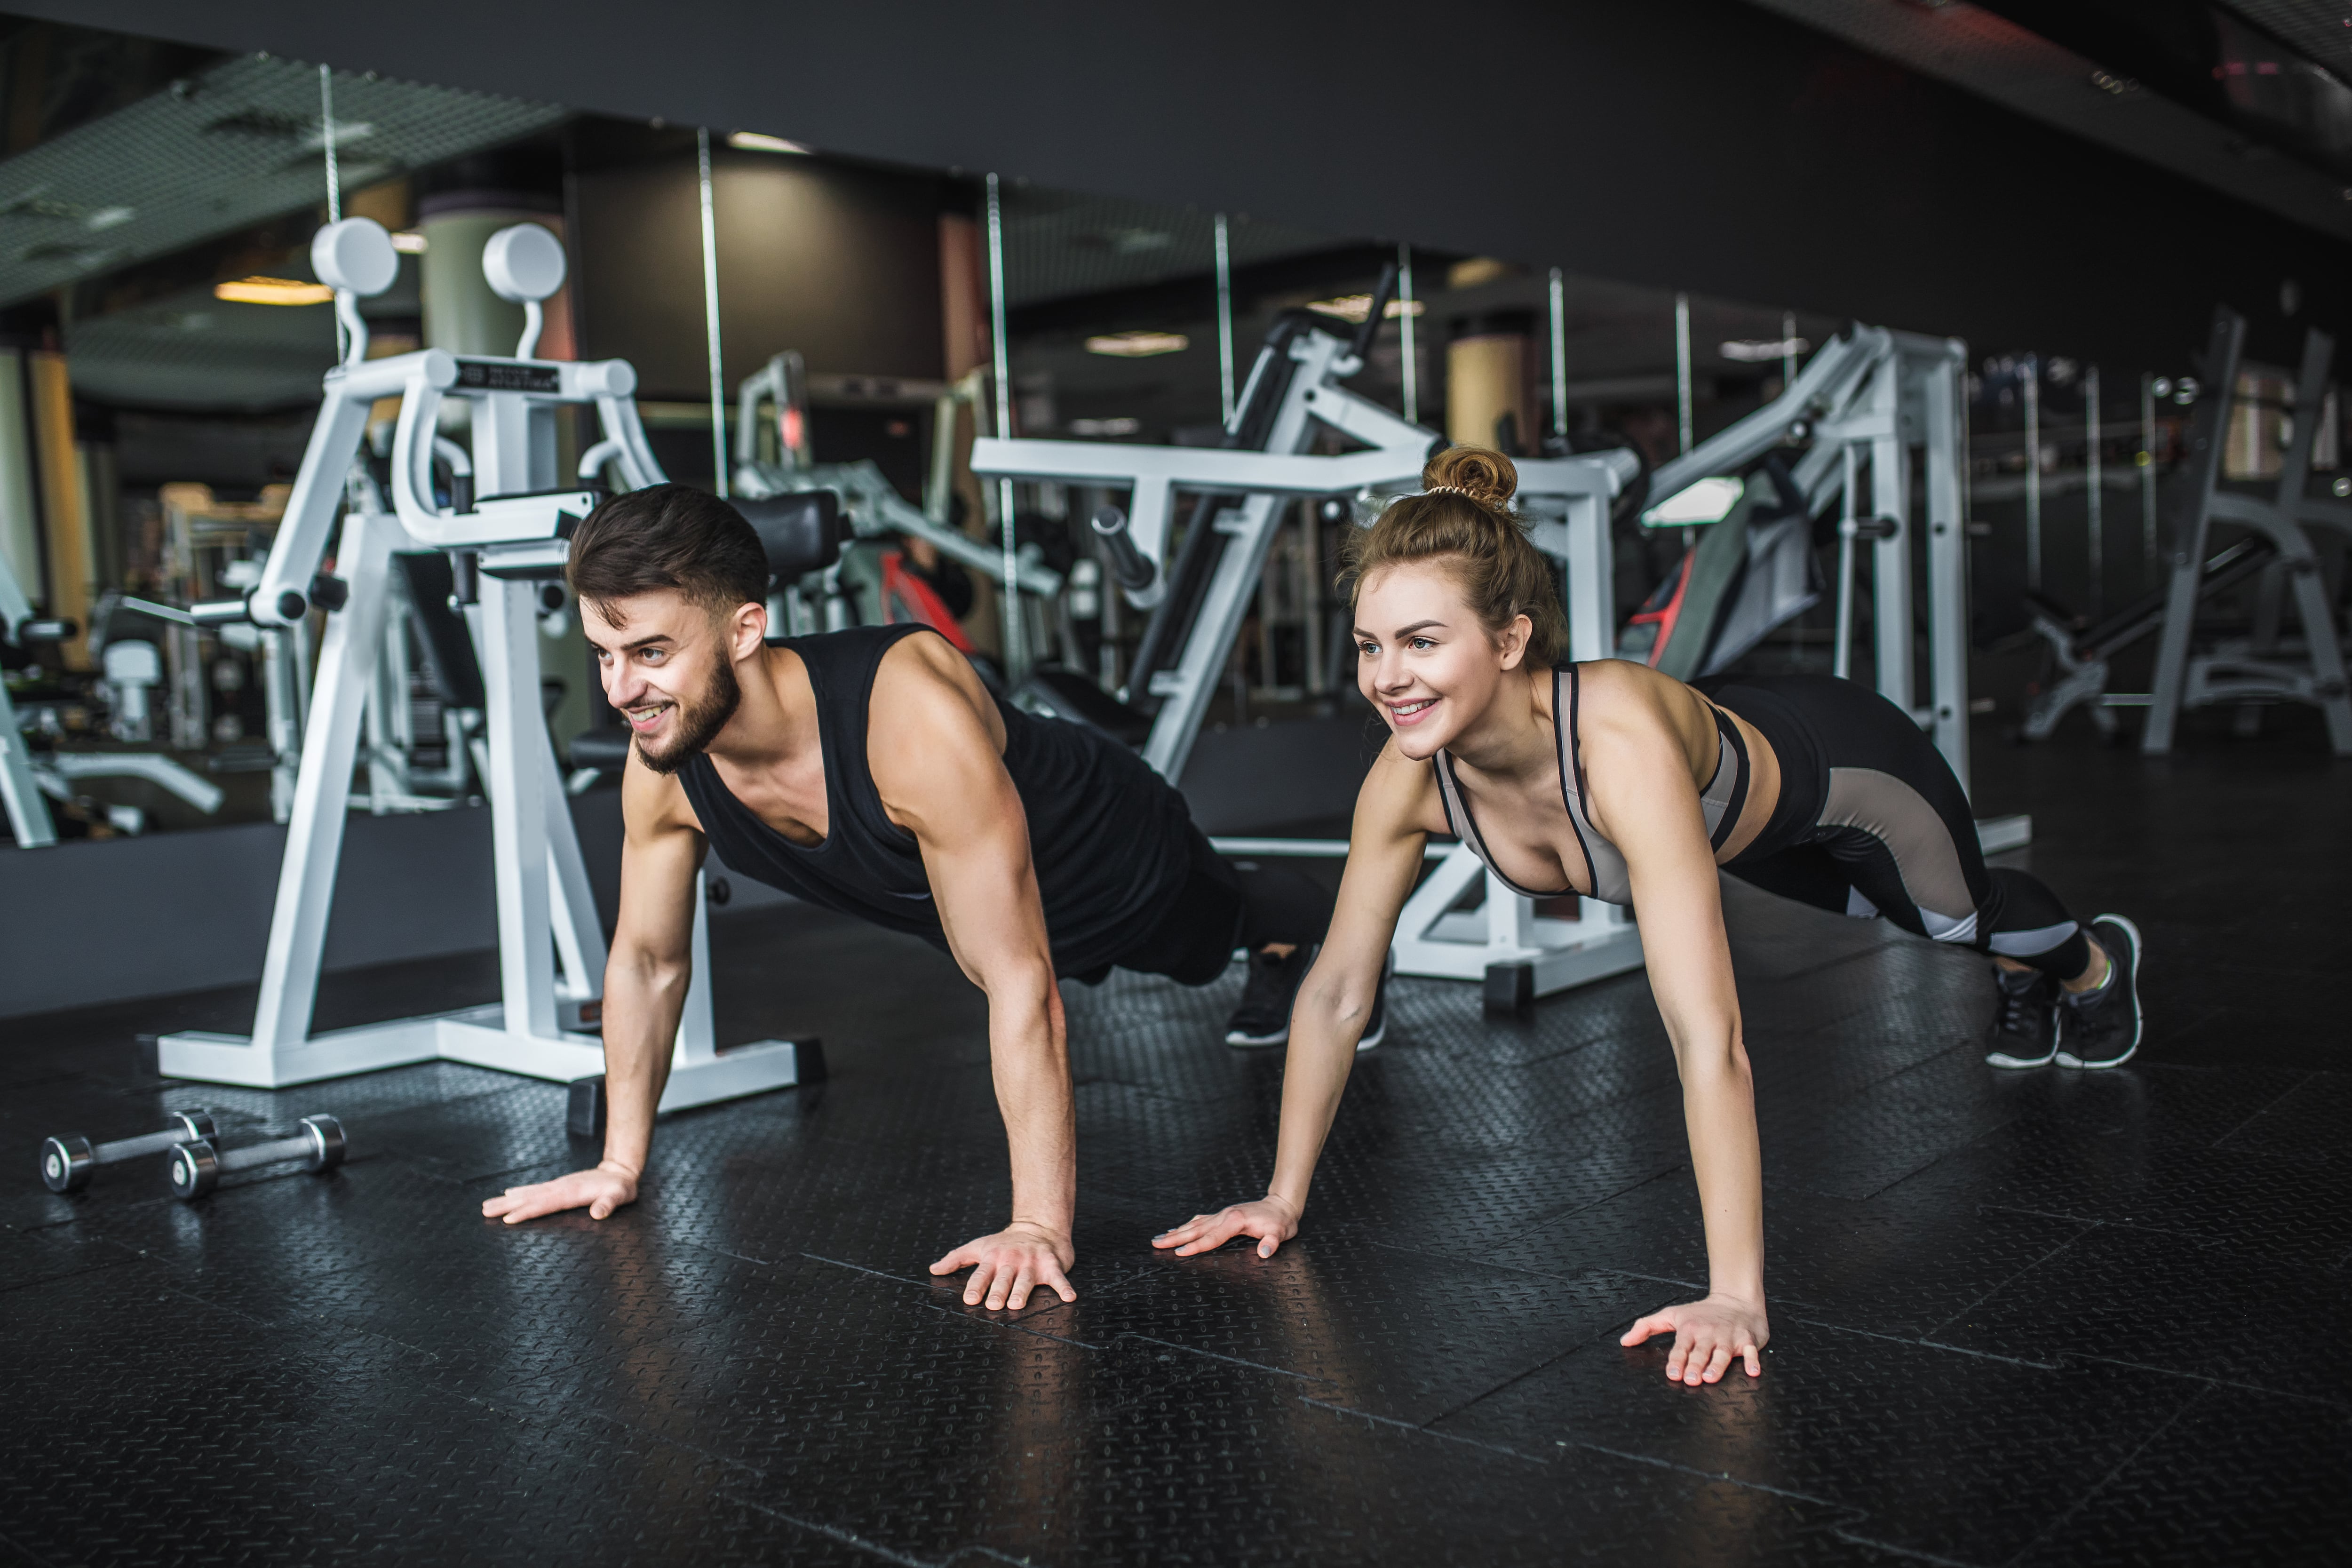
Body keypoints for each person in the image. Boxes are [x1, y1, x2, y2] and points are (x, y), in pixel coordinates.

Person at [1153, 446, 2142, 1386]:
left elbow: (1707, 1034)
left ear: (1508, 639)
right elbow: (1333, 990)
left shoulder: (1615, 749)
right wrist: (1280, 1195)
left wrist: (1734, 1294)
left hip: (1843, 773)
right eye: (1371, 645)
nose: (1387, 677)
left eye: (1420, 641)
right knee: (1902, 919)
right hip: (1732, 823)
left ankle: (2088, 964)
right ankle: (2033, 966)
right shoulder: (1407, 781)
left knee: (1950, 922)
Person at [481, 484, 1371, 1311]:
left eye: (650, 653)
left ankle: (1301, 921)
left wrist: (1037, 1226)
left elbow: (1021, 981)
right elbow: (646, 959)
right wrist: (618, 1162)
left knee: (1197, 940)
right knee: (1092, 955)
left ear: (745, 629)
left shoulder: (906, 717)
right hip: (981, 893)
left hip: (1103, 844)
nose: (621, 691)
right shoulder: (666, 761)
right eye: (604, 655)